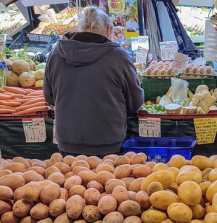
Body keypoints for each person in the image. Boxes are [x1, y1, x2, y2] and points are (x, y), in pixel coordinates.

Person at [44, 6, 144, 157]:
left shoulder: (56, 53)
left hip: (68, 140)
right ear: (109, 30)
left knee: (71, 179)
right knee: (106, 180)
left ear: (80, 29)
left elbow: (49, 96)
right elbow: (135, 103)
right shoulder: (119, 57)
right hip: (107, 141)